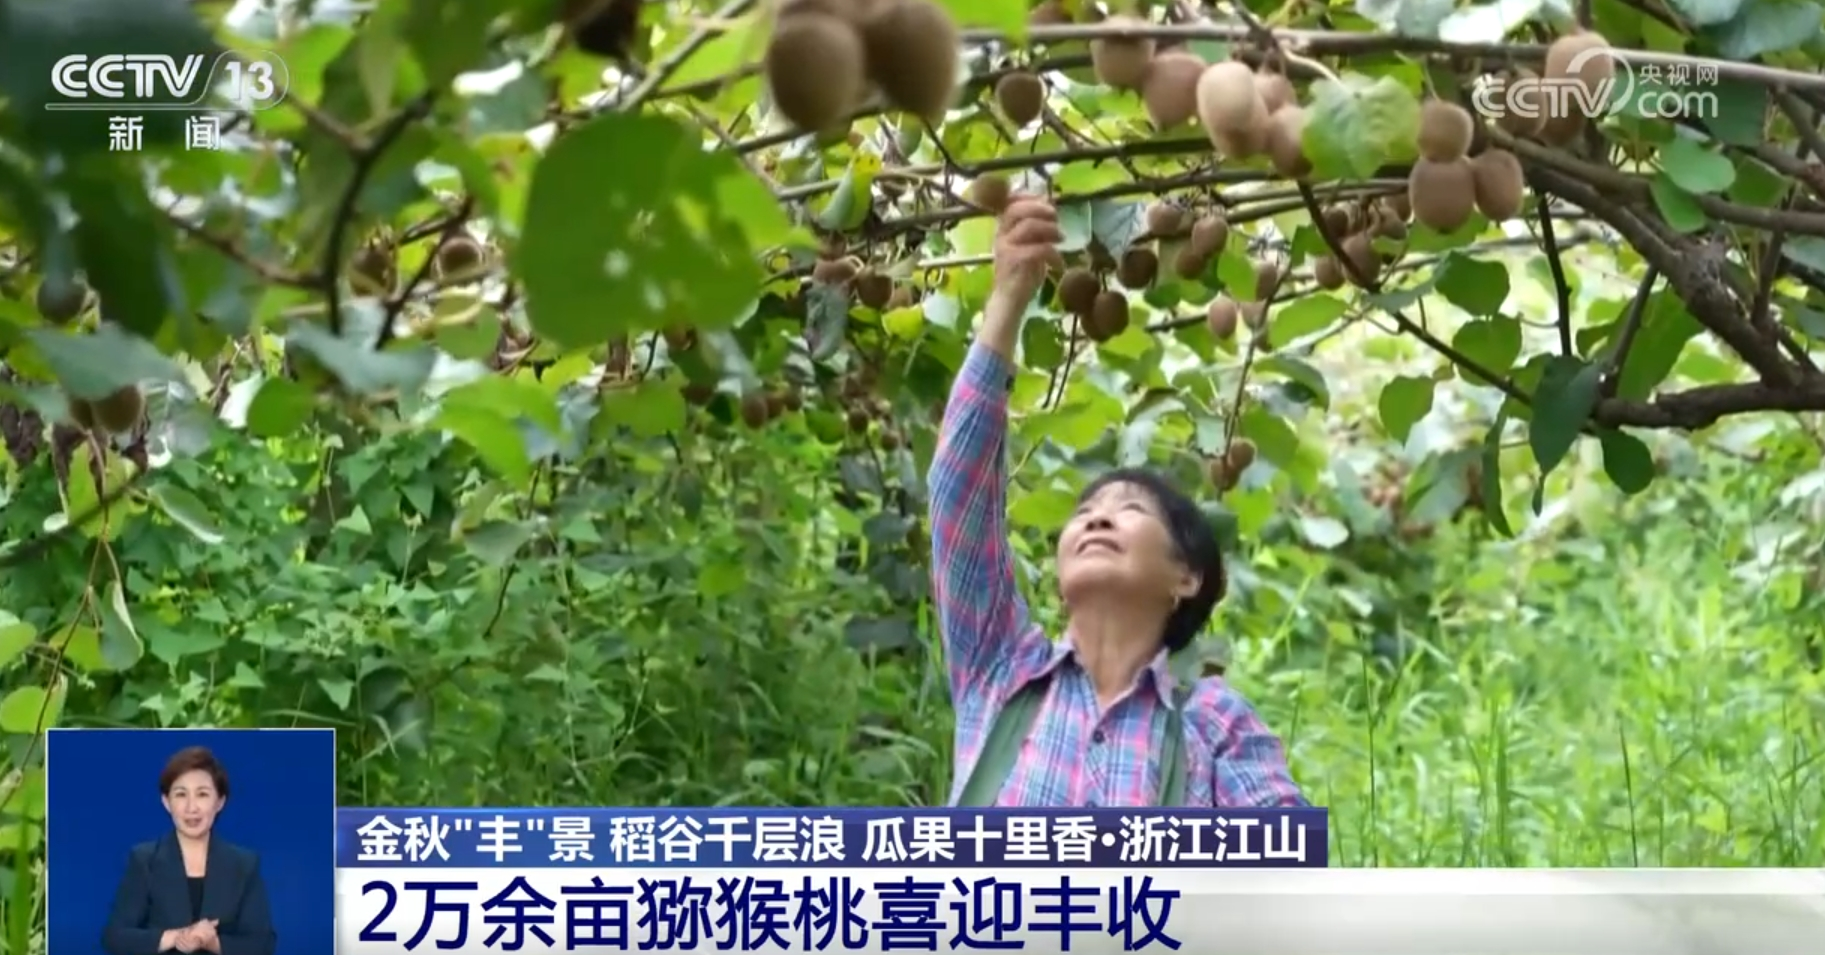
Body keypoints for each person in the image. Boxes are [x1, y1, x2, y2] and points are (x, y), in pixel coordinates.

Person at [929, 193, 1308, 808]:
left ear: (1186, 577)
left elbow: (1283, 853)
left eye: (1131, 509)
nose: (1098, 517)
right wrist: (1008, 299)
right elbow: (958, 495)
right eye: (1083, 515)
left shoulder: (1215, 724)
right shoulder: (1002, 668)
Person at [102, 746, 276, 955]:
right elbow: (115, 937)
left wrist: (212, 943)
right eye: (181, 794)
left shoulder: (244, 864)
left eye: (202, 794)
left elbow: (262, 943)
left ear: (220, 802)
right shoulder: (144, 860)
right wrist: (177, 937)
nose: (191, 807)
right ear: (166, 802)